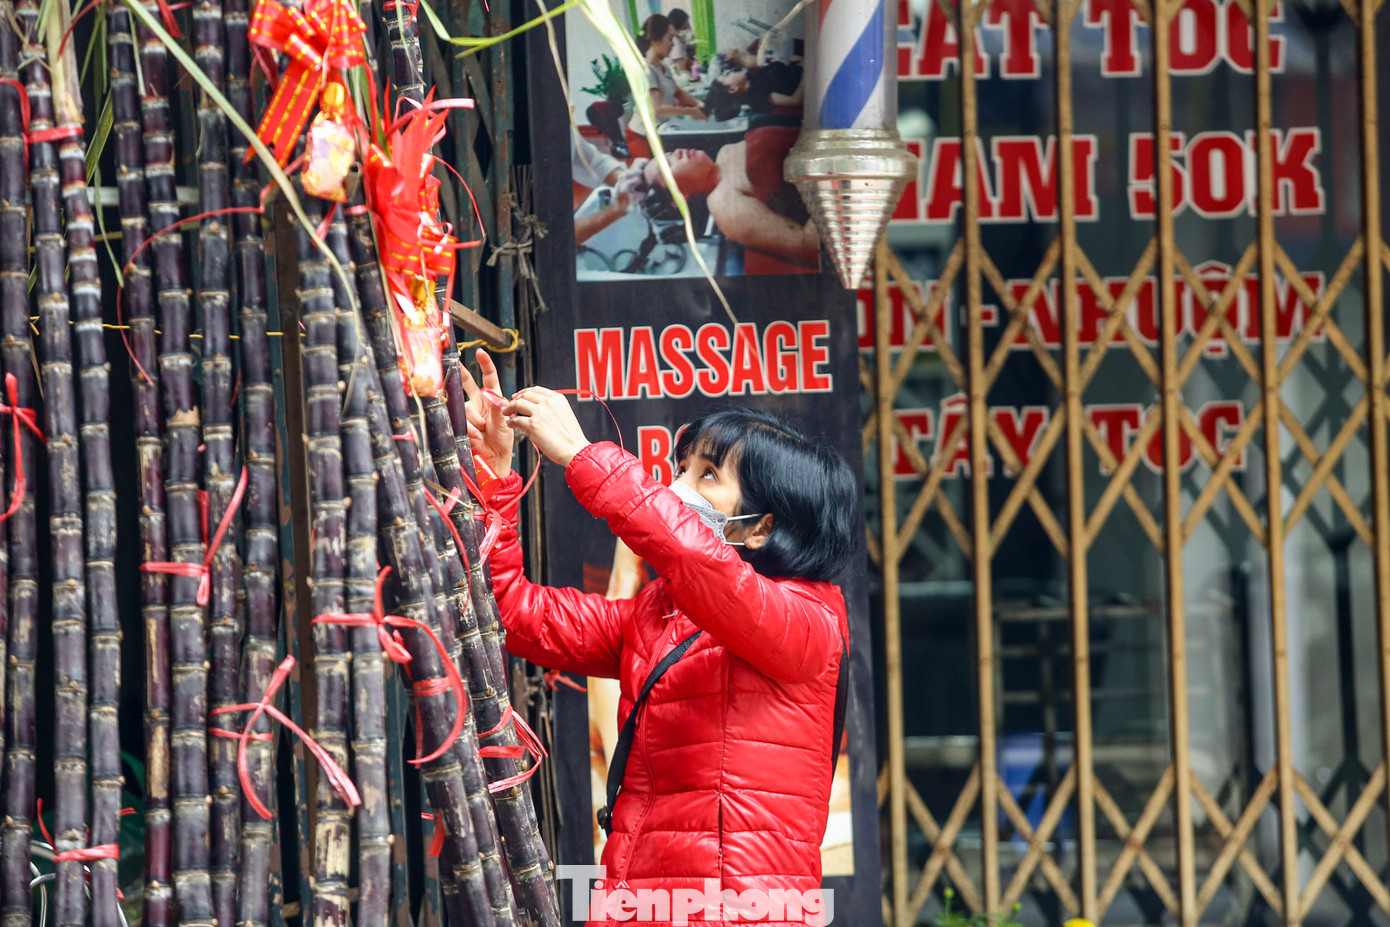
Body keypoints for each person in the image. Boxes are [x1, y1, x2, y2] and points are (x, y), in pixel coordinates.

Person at [461, 350, 857, 926]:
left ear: (763, 526)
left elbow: (703, 563)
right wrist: (495, 475)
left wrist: (582, 457)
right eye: (682, 468)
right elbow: (515, 613)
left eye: (708, 475)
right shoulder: (661, 613)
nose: (678, 487)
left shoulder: (809, 621)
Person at [628, 13, 705, 159]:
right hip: (642, 137)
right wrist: (691, 111)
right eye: (670, 38)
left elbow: (678, 93)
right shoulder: (646, 70)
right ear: (655, 39)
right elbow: (657, 110)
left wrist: (701, 104)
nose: (673, 44)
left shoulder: (662, 67)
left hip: (660, 131)